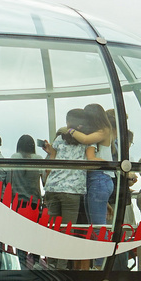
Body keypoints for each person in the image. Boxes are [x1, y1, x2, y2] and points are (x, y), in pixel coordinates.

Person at [41, 110, 95, 269]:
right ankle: (61, 268)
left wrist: (51, 151)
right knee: (67, 232)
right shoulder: (88, 142)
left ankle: (50, 265)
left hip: (52, 187)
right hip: (72, 190)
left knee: (53, 231)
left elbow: (53, 161)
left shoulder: (59, 139)